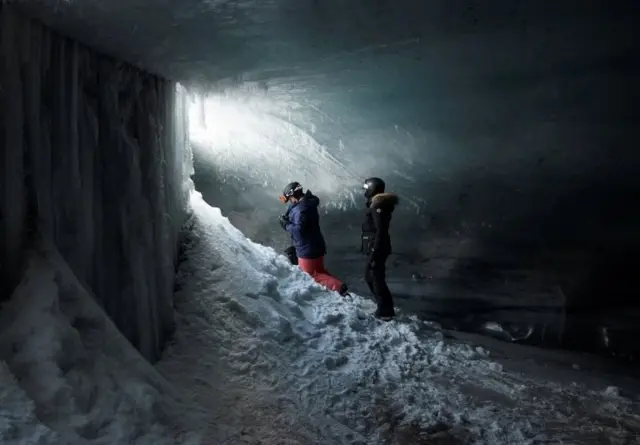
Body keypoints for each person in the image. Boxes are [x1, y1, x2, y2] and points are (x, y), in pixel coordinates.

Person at [279, 182, 348, 296]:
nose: (290, 201)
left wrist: (286, 225)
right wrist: (287, 218)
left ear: (294, 196)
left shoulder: (302, 210)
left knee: (310, 275)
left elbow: (298, 231)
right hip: (314, 245)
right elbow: (297, 216)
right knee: (319, 271)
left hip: (307, 248)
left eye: (290, 198)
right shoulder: (307, 203)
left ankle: (339, 287)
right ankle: (337, 286)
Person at [361, 177, 398, 320]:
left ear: (372, 189)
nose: (364, 191)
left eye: (366, 189)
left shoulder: (378, 207)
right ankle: (384, 306)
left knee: (375, 278)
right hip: (375, 246)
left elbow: (380, 231)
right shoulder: (376, 205)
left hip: (377, 247)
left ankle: (386, 311)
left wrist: (375, 252)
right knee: (371, 276)